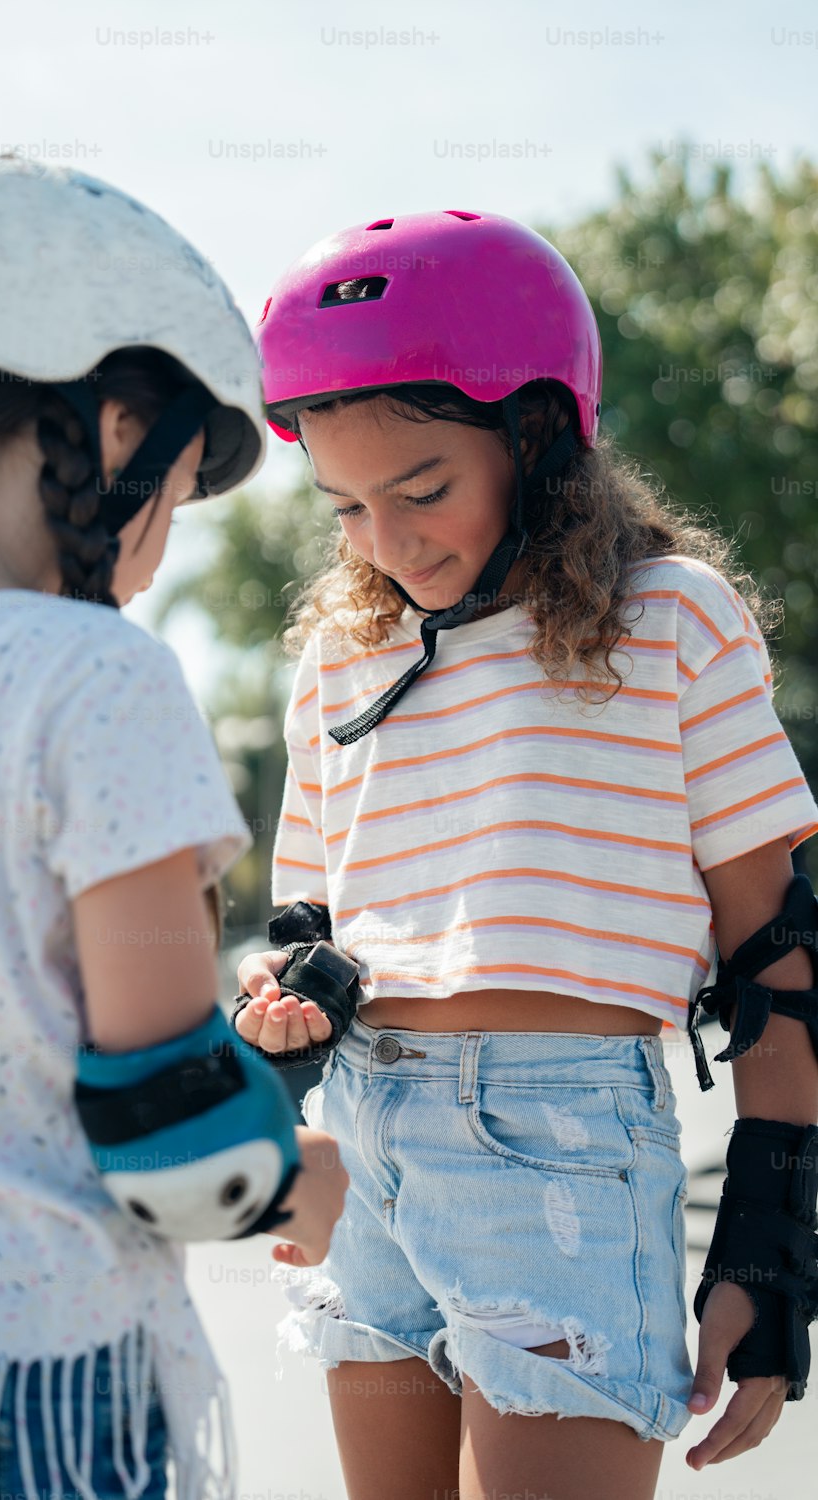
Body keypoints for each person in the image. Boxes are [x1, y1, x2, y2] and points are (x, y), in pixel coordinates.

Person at [234, 210, 818, 1500]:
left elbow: (777, 955)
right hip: (367, 1122)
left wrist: (771, 1245)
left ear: (540, 435)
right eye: (347, 505)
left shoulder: (669, 620)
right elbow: (309, 933)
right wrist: (281, 1025)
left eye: (424, 488)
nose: (387, 542)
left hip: (558, 1145)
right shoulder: (345, 650)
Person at [0, 156, 346, 1500]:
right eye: (175, 493)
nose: (161, 546)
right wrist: (305, 1171)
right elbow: (173, 1143)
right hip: (31, 1390)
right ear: (118, 427)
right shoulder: (98, 674)